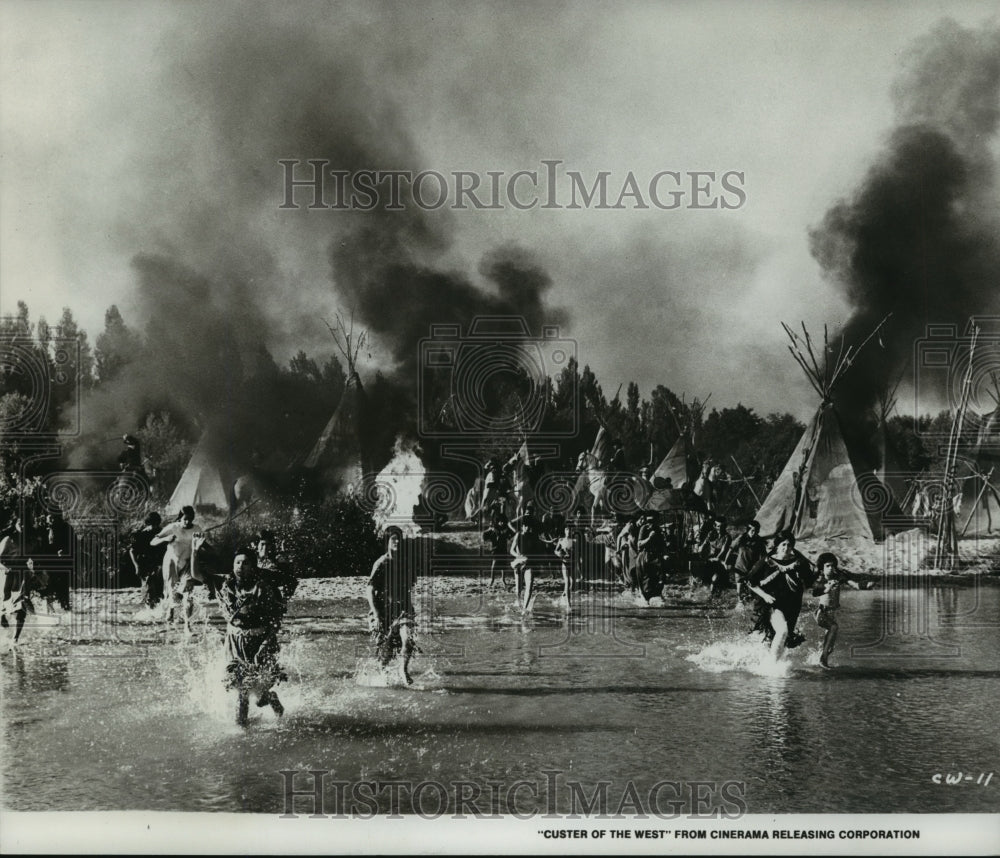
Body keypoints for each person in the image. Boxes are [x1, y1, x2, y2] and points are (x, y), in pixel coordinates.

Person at [206, 540, 287, 726]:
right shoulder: (227, 586)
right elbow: (198, 574)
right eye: (237, 563)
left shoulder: (263, 589)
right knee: (240, 690)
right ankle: (240, 732)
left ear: (253, 567)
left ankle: (271, 698)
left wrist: (264, 647)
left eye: (245, 563)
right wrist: (195, 551)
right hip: (235, 643)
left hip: (260, 643)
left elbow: (275, 622)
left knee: (259, 698)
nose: (240, 567)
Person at [746, 531, 814, 659]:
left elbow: (810, 582)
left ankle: (772, 666)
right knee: (782, 631)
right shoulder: (766, 561)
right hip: (772, 604)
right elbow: (749, 581)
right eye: (783, 544)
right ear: (777, 545)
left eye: (789, 545)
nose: (786, 548)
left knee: (783, 638)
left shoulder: (799, 563)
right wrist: (765, 595)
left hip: (792, 605)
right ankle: (772, 667)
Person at [367, 526, 418, 684]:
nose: (396, 541)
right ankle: (383, 677)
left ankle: (403, 670)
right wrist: (376, 615)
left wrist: (411, 611)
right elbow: (369, 590)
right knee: (386, 654)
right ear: (387, 542)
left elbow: (409, 589)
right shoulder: (382, 563)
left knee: (408, 640)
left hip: (403, 611)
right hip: (383, 612)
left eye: (398, 538)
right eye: (393, 539)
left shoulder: (406, 563)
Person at [811, 552, 873, 668]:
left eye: (832, 566)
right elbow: (814, 592)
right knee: (834, 627)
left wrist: (866, 586)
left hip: (832, 614)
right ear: (822, 568)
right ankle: (822, 659)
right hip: (821, 612)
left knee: (830, 648)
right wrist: (827, 588)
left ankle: (819, 660)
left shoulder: (838, 578)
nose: (831, 568)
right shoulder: (820, 580)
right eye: (827, 566)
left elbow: (855, 585)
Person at [151, 506, 201, 621]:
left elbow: (202, 544)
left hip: (187, 563)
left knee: (188, 591)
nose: (188, 522)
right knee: (171, 590)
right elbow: (152, 542)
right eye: (185, 519)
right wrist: (165, 539)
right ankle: (170, 612)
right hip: (172, 561)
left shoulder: (197, 529)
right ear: (180, 518)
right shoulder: (172, 527)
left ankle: (187, 621)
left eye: (190, 519)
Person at [508, 503, 543, 613]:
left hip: (530, 563)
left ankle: (525, 609)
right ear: (522, 526)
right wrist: (519, 557)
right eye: (526, 526)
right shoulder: (519, 535)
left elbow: (538, 552)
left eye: (529, 526)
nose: (528, 528)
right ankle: (518, 602)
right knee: (519, 588)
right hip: (519, 562)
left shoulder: (534, 536)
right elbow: (511, 550)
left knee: (530, 585)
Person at [129, 511, 166, 609]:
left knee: (159, 592)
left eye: (156, 525)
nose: (154, 527)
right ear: (148, 524)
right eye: (151, 525)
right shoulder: (141, 534)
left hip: (159, 564)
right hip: (144, 565)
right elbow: (132, 551)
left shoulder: (162, 533)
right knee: (148, 589)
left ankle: (155, 614)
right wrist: (136, 566)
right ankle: (150, 611)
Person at [255, 530, 298, 608]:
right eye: (262, 544)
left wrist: (285, 598)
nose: (264, 548)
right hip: (253, 600)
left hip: (273, 601)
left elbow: (291, 580)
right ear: (257, 545)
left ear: (272, 546)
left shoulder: (278, 561)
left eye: (268, 545)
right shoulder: (251, 560)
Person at [728, 520, 766, 603]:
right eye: (752, 530)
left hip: (752, 568)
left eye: (756, 531)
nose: (754, 533)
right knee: (740, 589)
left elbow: (763, 556)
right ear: (748, 530)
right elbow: (731, 549)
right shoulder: (741, 538)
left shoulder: (759, 541)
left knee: (751, 591)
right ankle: (740, 603)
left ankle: (748, 603)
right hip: (740, 566)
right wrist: (726, 561)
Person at [483, 501, 511, 589]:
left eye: (503, 522)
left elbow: (510, 535)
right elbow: (484, 536)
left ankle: (503, 580)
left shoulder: (505, 529)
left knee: (503, 565)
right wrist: (489, 529)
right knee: (494, 565)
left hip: (503, 549)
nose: (501, 523)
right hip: (495, 549)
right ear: (497, 522)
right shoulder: (494, 530)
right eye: (500, 522)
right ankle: (492, 580)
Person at [553, 523, 575, 601]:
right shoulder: (561, 540)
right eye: (567, 529)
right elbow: (555, 550)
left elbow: (579, 552)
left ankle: (564, 594)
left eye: (570, 530)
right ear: (564, 531)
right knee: (567, 582)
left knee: (572, 583)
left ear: (573, 531)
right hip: (564, 563)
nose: (568, 531)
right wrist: (559, 553)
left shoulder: (574, 541)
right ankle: (568, 604)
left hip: (573, 563)